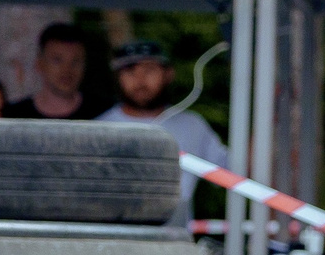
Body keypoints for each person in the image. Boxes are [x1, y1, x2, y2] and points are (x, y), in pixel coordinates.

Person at [96, 39, 228, 215]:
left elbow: (235, 170)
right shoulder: (96, 130)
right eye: (130, 71)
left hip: (174, 238)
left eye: (149, 70)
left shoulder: (192, 126)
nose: (140, 79)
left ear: (168, 73)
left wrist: (269, 112)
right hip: (112, 236)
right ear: (117, 76)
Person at [3, 22, 98, 120]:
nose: (67, 69)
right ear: (39, 64)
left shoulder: (103, 114)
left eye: (75, 61)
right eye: (57, 60)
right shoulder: (15, 116)